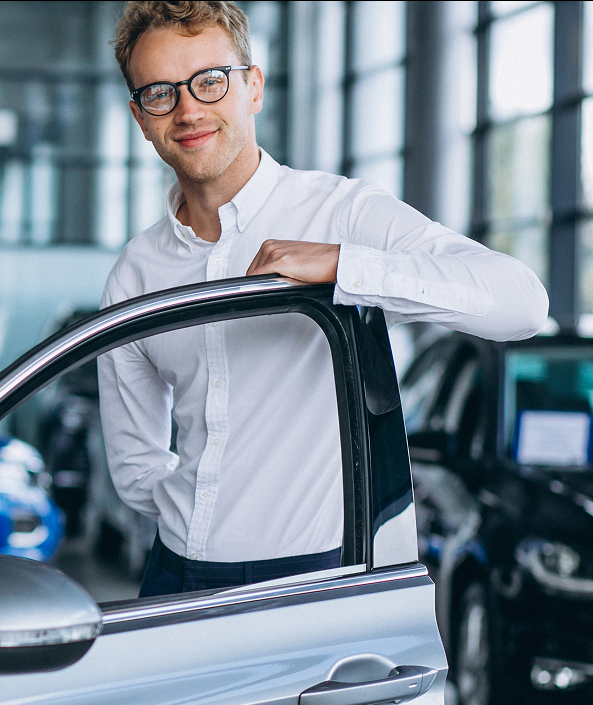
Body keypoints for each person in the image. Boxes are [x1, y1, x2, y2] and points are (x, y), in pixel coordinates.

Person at [97, 1, 548, 597]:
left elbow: (522, 303)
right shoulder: (135, 272)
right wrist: (199, 517)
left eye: (210, 81)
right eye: (160, 93)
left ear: (253, 87)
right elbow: (135, 468)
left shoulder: (343, 214)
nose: (188, 110)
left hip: (317, 578)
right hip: (175, 575)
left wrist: (344, 265)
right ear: (139, 115)